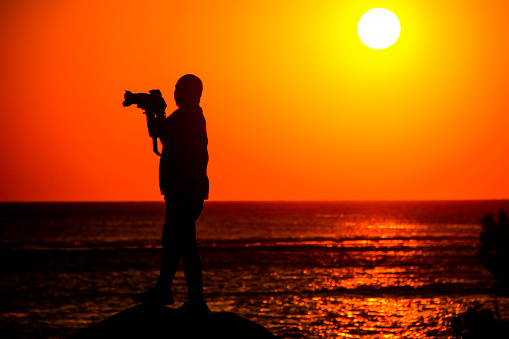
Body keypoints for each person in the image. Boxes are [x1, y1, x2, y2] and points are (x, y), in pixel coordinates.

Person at [133, 74, 210, 314]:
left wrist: (153, 111)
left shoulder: (187, 117)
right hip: (185, 190)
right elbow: (163, 135)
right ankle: (167, 289)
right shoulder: (190, 117)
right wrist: (155, 111)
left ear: (191, 93)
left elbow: (158, 132)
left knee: (183, 245)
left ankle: (193, 299)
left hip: (183, 191)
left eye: (179, 90)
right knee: (175, 243)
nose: (176, 93)